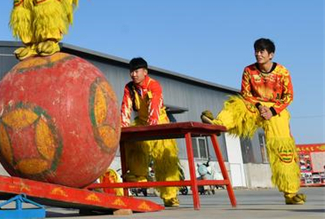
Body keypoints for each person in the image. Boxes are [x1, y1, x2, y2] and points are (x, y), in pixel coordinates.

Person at [202, 38, 306, 205]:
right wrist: (259, 106)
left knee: (283, 147)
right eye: (256, 50)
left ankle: (291, 192)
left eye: (262, 51)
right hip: (255, 106)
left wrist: (272, 111)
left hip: (276, 110)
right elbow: (246, 93)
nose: (258, 54)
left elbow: (289, 97)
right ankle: (218, 124)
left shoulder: (282, 72)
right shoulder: (248, 70)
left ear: (271, 55)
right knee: (236, 105)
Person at [120, 57, 181, 207]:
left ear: (145, 72)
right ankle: (139, 175)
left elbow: (154, 105)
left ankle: (170, 195)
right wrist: (123, 127)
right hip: (141, 121)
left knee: (165, 159)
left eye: (136, 71)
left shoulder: (154, 85)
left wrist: (152, 127)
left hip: (159, 121)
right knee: (133, 143)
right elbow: (125, 108)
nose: (133, 75)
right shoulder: (129, 88)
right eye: (131, 72)